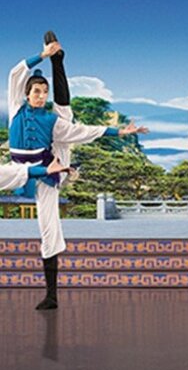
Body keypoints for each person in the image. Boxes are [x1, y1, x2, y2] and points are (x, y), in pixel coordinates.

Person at [7, 31, 147, 310]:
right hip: (15, 168)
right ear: (27, 93)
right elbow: (15, 73)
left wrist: (118, 131)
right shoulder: (15, 108)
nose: (41, 96)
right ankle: (58, 60)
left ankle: (51, 294)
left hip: (45, 169)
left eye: (44, 92)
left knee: (49, 227)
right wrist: (43, 55)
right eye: (37, 91)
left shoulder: (51, 120)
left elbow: (81, 131)